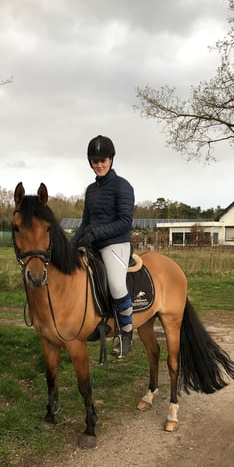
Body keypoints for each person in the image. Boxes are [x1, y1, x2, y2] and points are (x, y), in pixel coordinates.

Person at [73, 135, 135, 357]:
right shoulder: (91, 190)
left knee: (116, 284)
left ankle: (126, 334)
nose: (99, 165)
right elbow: (85, 223)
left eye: (103, 160)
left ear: (111, 160)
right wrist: (70, 246)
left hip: (115, 244)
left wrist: (96, 234)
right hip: (92, 244)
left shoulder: (122, 186)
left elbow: (125, 222)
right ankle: (93, 323)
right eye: (95, 161)